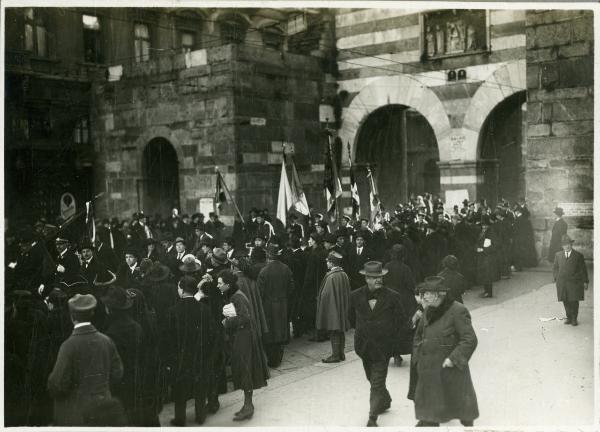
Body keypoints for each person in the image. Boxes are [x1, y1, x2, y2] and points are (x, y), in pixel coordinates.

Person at [408, 276, 479, 427]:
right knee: (429, 411)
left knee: (462, 409)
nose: (424, 296)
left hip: (450, 371)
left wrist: (453, 359)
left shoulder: (457, 310)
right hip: (428, 370)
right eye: (423, 293)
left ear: (439, 294)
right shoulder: (428, 310)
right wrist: (417, 356)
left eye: (427, 293)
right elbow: (418, 335)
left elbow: (470, 339)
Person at [47, 294, 124, 426]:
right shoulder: (106, 341)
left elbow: (58, 384)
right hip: (103, 410)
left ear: (72, 316)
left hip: (76, 414)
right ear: (92, 313)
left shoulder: (68, 345)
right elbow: (118, 373)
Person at [348, 261, 407, 427]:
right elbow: (351, 318)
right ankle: (385, 400)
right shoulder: (355, 296)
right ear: (366, 278)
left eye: (380, 277)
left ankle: (372, 417)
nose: (379, 280)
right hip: (364, 346)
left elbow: (401, 320)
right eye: (374, 277)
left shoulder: (393, 296)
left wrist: (388, 334)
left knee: (377, 382)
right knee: (371, 378)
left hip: (383, 347)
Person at [217, 270, 270, 421]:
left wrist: (227, 322)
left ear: (227, 284)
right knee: (245, 370)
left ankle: (248, 406)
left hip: (244, 338)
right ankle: (247, 405)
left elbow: (245, 318)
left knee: (246, 370)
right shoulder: (235, 295)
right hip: (242, 337)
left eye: (220, 283)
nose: (218, 285)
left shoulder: (237, 297)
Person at [164, 276, 216, 426]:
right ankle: (200, 415)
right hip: (200, 356)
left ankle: (180, 418)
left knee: (180, 389)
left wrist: (170, 360)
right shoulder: (204, 309)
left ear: (181, 289)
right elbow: (211, 334)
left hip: (180, 358)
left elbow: (169, 338)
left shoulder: (173, 311)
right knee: (200, 387)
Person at [101, 285, 144, 424]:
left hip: (120, 384)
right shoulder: (136, 327)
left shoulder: (110, 332)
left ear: (110, 309)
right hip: (136, 380)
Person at [257, 244, 295, 368]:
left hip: (268, 306)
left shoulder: (264, 271)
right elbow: (291, 288)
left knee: (270, 331)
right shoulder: (286, 268)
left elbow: (260, 292)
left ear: (268, 256)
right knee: (281, 331)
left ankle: (272, 360)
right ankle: (278, 358)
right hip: (283, 304)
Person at [383, 244, 417, 366]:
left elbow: (383, 283)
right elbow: (411, 286)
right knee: (406, 328)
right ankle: (409, 351)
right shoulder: (405, 268)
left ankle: (396, 355)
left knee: (392, 328)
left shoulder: (387, 266)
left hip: (390, 301)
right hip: (404, 301)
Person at [316, 251, 351, 363]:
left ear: (332, 263)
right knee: (340, 330)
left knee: (334, 330)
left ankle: (335, 355)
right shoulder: (343, 274)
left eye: (328, 261)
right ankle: (341, 353)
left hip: (333, 308)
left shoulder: (331, 277)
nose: (327, 263)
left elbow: (326, 295)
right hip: (341, 307)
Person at [553, 235, 589, 326]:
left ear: (571, 244)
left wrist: (585, 281)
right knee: (565, 300)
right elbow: (555, 268)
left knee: (573, 300)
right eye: (565, 245)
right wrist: (556, 278)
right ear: (562, 246)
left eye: (568, 244)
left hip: (574, 282)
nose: (567, 246)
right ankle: (568, 317)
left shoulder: (578, 256)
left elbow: (583, 269)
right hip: (562, 282)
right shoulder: (558, 255)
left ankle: (574, 318)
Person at [475, 215, 497, 298]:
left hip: (488, 256)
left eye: (485, 225)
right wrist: (476, 248)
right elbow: (477, 242)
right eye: (482, 225)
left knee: (488, 275)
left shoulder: (491, 233)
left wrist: (484, 250)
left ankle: (489, 292)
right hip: (482, 256)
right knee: (484, 274)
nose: (483, 227)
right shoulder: (482, 232)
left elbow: (495, 245)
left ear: (488, 225)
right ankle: (486, 291)